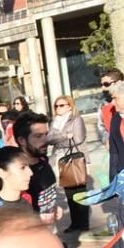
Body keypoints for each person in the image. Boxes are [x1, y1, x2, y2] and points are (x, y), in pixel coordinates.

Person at [48, 94, 89, 233]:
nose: (58, 108)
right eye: (56, 106)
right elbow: (49, 139)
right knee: (69, 193)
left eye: (61, 105)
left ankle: (83, 223)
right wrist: (65, 136)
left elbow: (78, 138)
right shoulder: (54, 121)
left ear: (70, 106)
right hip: (61, 159)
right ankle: (75, 222)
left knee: (80, 191)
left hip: (75, 158)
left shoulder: (76, 119)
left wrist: (57, 139)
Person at [14, 111, 62, 225]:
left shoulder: (42, 159)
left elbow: (45, 192)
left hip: (50, 229)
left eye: (46, 134)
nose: (46, 140)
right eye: (38, 136)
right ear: (22, 140)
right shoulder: (16, 171)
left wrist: (52, 207)